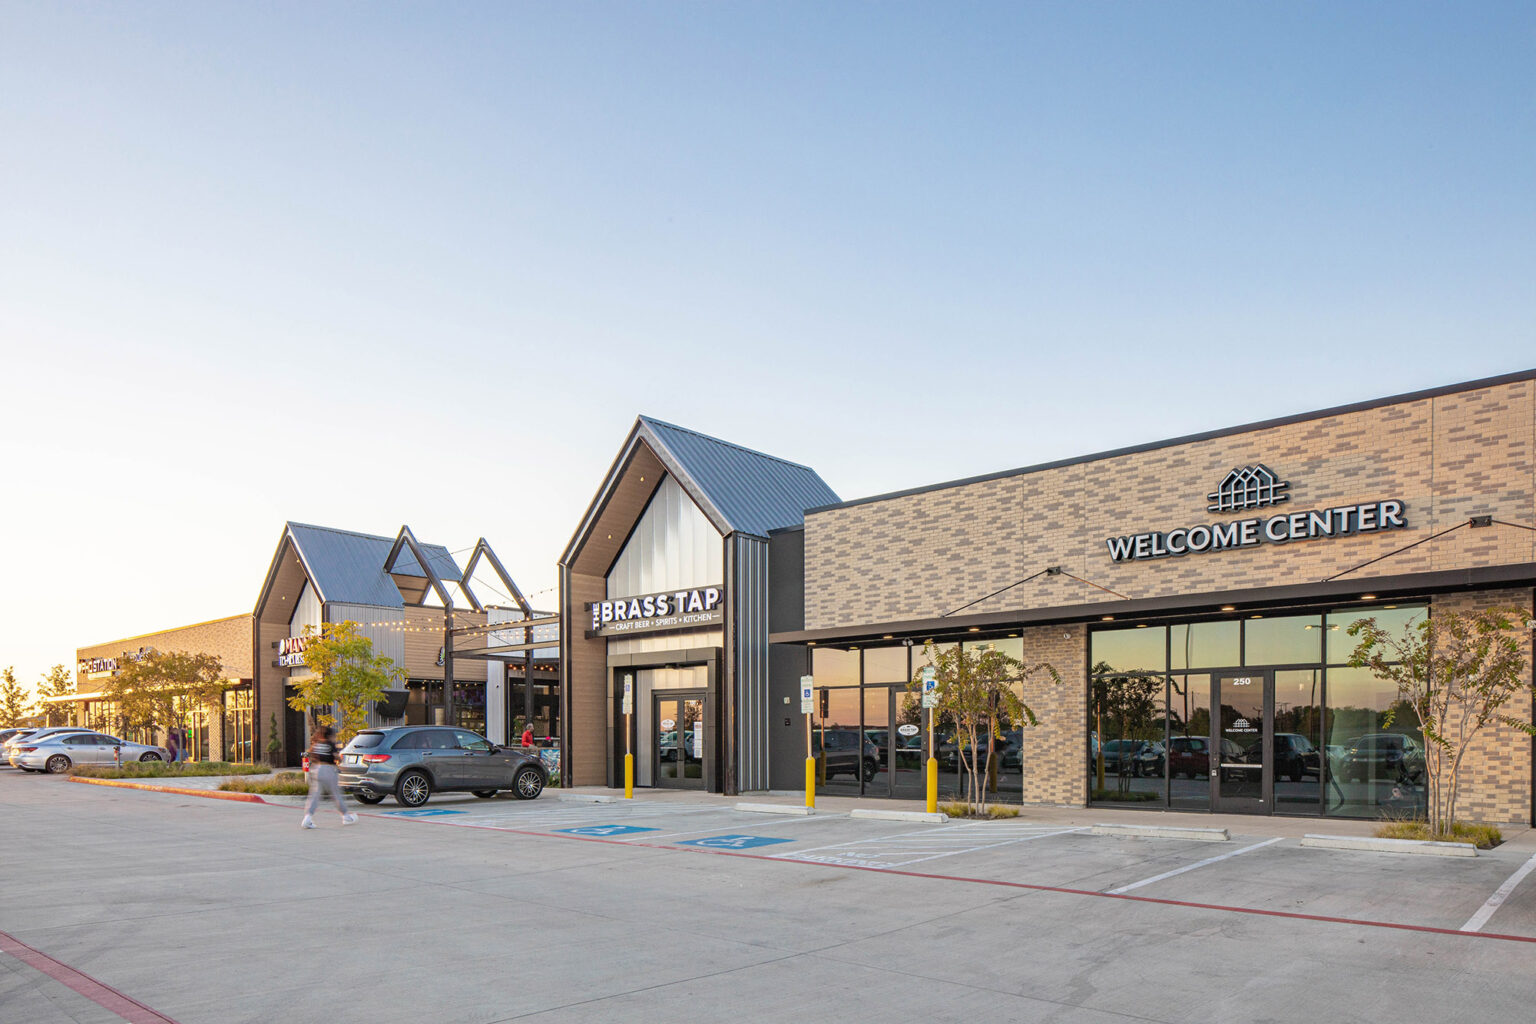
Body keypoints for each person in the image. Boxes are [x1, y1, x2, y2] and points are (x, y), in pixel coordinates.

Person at [301, 724, 356, 829]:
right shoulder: (330, 744)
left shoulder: (315, 744)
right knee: (336, 794)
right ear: (329, 735)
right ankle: (346, 816)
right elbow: (336, 757)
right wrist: (340, 760)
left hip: (316, 768)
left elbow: (310, 754)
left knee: (314, 795)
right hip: (328, 769)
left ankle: (307, 818)